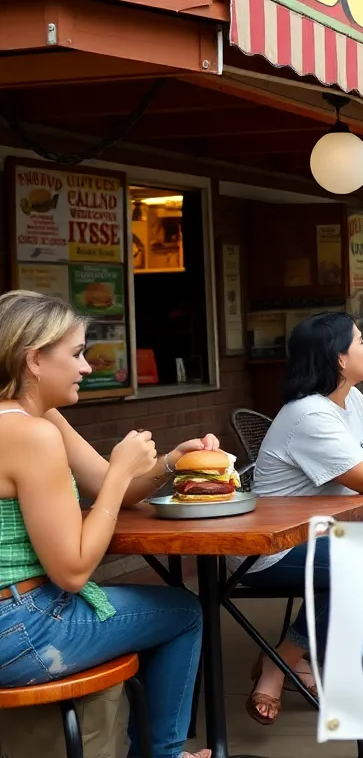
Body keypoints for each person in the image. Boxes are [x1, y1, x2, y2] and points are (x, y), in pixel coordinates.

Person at [0, 290, 213, 758]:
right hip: (19, 629)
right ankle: (165, 754)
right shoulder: (31, 434)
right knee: (185, 612)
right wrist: (119, 472)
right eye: (77, 353)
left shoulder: (35, 416)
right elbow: (73, 571)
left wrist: (171, 463)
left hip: (11, 620)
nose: (86, 367)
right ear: (34, 360)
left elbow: (105, 483)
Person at [241, 311, 363, 725]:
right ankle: (282, 661)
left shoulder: (349, 399)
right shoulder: (310, 415)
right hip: (271, 548)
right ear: (339, 358)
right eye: (360, 341)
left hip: (324, 537)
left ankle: (291, 659)